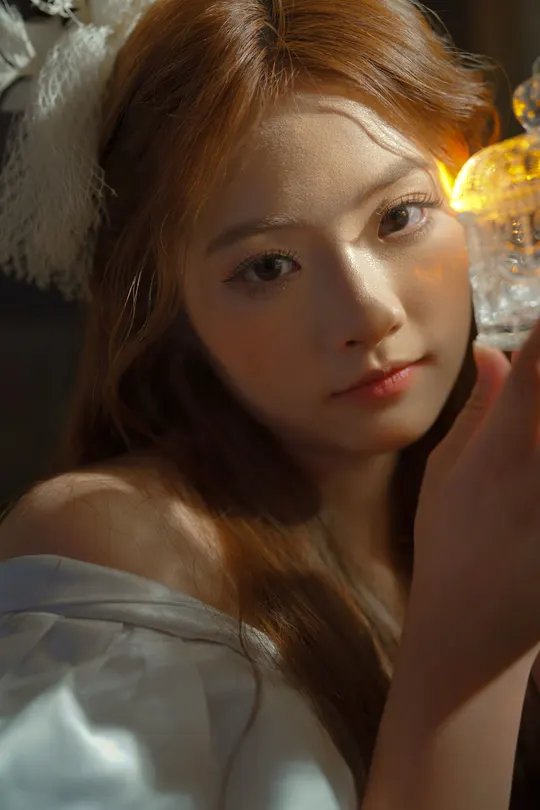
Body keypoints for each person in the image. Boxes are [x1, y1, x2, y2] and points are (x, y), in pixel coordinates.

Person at [0, 0, 539, 807]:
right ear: (172, 310)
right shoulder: (118, 559)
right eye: (267, 267)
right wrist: (465, 656)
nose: (368, 314)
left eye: (399, 217)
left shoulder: (484, 493)